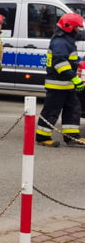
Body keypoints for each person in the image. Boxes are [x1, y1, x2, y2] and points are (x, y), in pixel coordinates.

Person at [36, 13, 85, 147]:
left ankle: (71, 136)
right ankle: (43, 137)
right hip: (58, 85)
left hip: (67, 85)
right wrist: (75, 79)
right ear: (69, 27)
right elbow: (60, 63)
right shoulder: (60, 42)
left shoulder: (67, 40)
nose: (78, 31)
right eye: (77, 28)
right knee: (51, 111)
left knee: (73, 109)